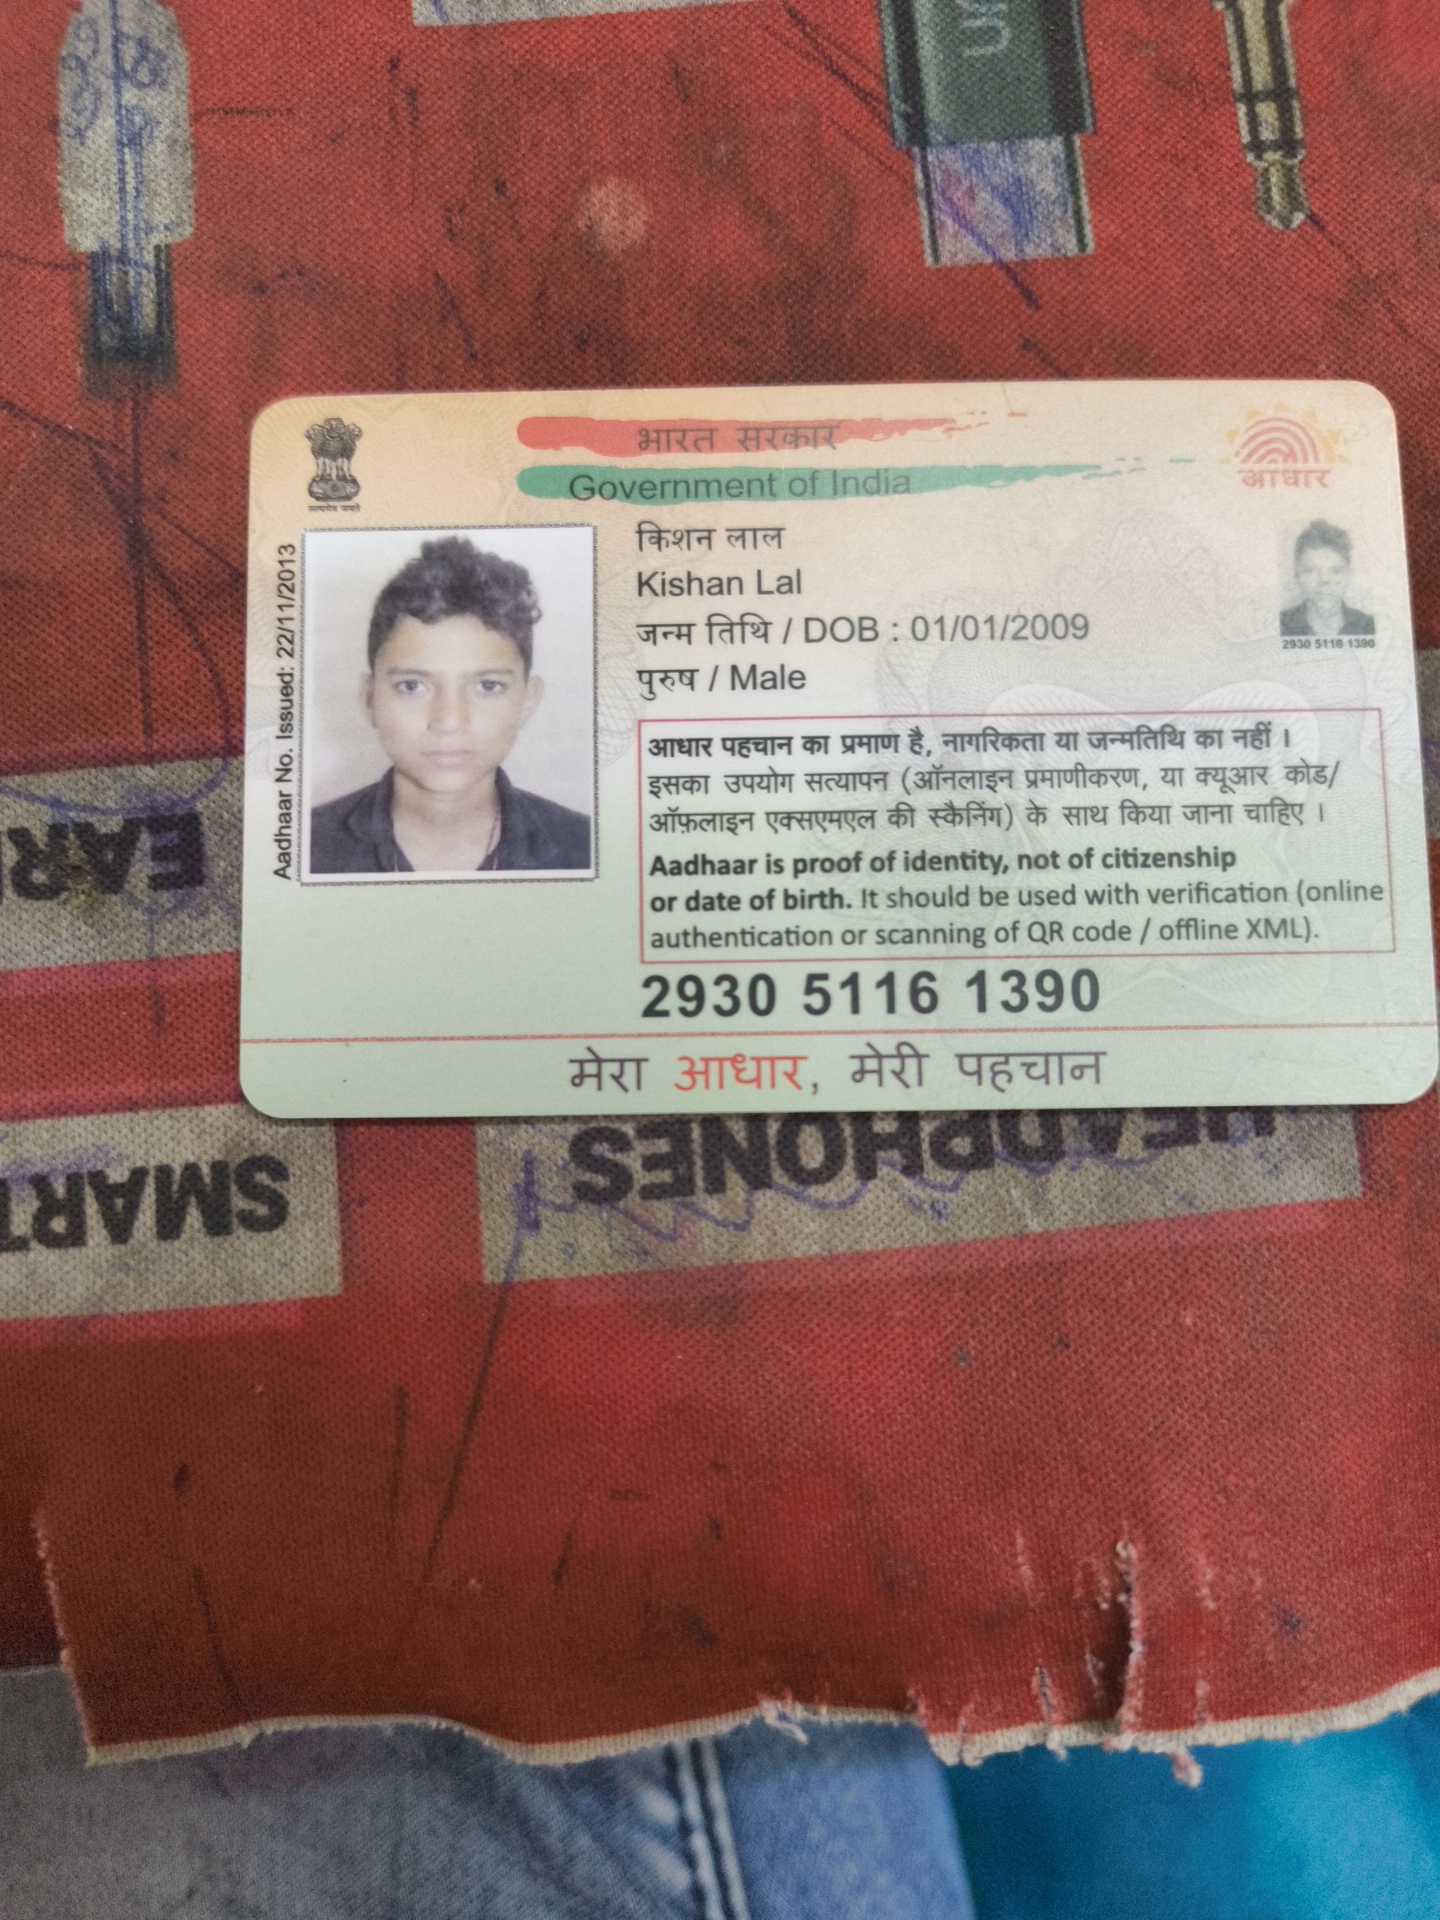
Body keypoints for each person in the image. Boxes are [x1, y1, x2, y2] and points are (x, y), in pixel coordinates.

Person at [310, 536, 591, 874]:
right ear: (370, 699)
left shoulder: (585, 848)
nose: (449, 721)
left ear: (527, 700)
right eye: (412, 686)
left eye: (488, 686)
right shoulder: (307, 847)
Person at [1280, 521, 1375, 638]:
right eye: (1311, 570)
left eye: (1335, 571)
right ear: (1297, 575)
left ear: (1349, 575)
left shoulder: (1367, 626)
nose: (1324, 581)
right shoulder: (1279, 624)